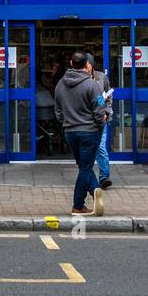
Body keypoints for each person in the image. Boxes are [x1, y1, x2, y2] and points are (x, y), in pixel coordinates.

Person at [54, 50, 108, 216]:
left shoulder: (60, 84)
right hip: (89, 131)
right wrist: (100, 125)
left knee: (83, 165)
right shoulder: (92, 85)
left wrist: (66, 123)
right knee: (85, 168)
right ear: (87, 65)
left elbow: (58, 111)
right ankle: (78, 205)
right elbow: (99, 108)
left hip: (70, 132)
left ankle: (94, 189)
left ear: (71, 63)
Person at [87, 52, 114, 190]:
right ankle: (87, 176)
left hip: (101, 118)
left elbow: (109, 96)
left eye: (87, 64)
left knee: (101, 147)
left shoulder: (101, 77)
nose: (85, 67)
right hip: (86, 120)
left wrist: (107, 112)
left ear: (91, 65)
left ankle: (104, 177)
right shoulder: (80, 79)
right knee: (89, 149)